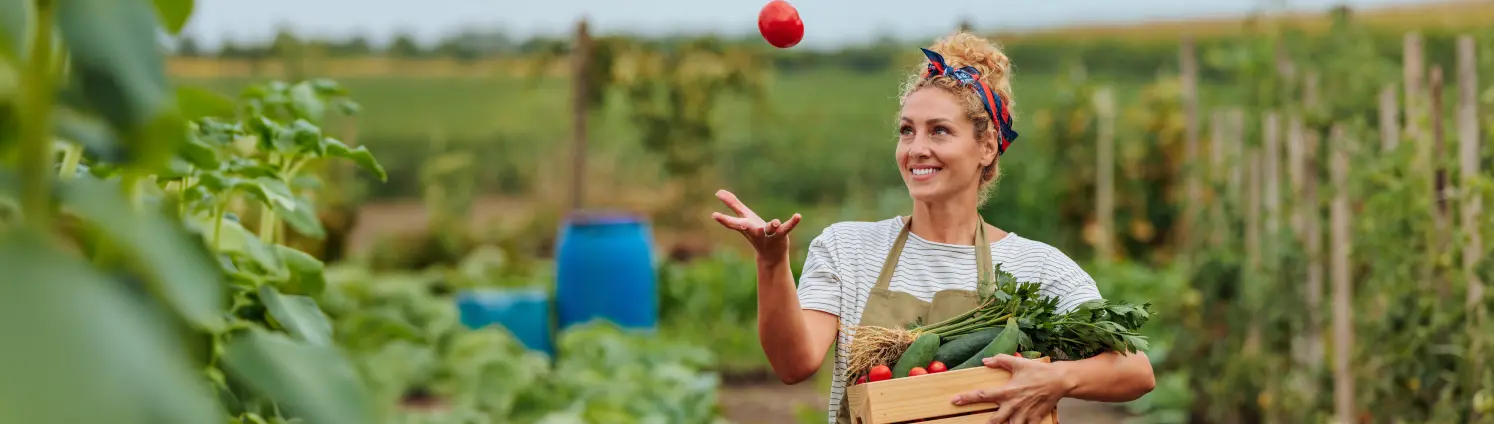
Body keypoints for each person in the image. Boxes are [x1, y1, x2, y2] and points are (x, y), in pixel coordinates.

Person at [710, 30, 1156, 424]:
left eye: (939, 131)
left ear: (986, 147)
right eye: (907, 131)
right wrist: (771, 262)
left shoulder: (1034, 266)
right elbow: (794, 364)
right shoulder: (848, 248)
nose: (916, 148)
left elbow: (1136, 372)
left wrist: (1057, 379)